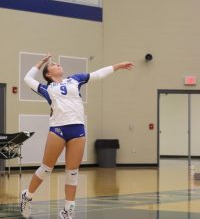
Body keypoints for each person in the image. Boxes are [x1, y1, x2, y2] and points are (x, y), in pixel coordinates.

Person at [20, 53, 134, 219]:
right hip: (58, 129)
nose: (57, 64)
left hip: (78, 129)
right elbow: (27, 78)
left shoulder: (75, 79)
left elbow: (98, 74)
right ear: (48, 74)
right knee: (46, 169)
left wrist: (118, 65)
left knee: (72, 172)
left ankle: (67, 211)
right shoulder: (46, 89)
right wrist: (42, 61)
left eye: (58, 64)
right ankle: (27, 196)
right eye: (53, 65)